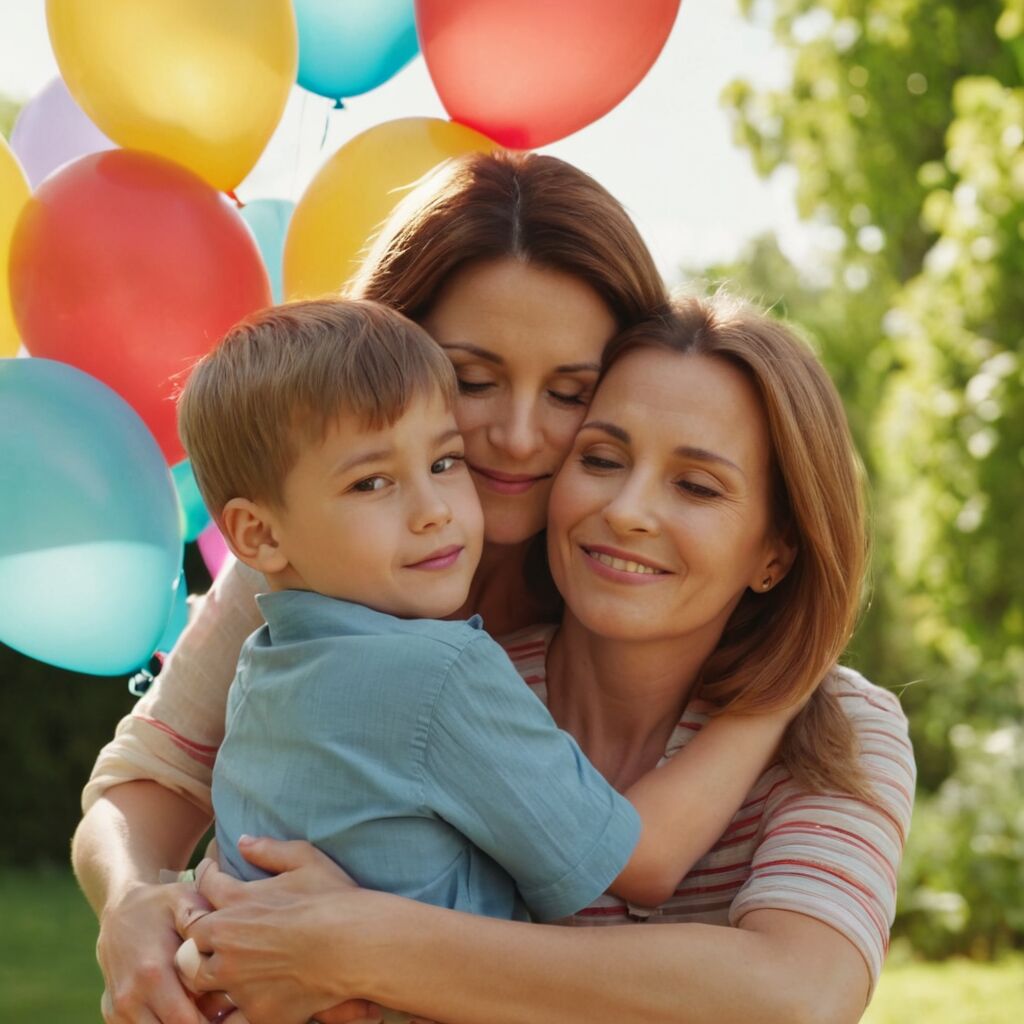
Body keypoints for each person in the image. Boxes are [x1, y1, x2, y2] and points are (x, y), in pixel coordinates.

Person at [174, 295, 916, 1024]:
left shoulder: (844, 730)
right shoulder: (466, 671)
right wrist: (160, 918)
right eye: (600, 457)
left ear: (776, 551)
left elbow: (798, 997)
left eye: (695, 485)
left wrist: (361, 946)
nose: (628, 509)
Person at [72, 150, 666, 1024]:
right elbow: (143, 780)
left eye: (571, 392)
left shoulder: (637, 586)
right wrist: (128, 906)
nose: (514, 433)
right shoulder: (305, 581)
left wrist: (363, 945)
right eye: (473, 380)